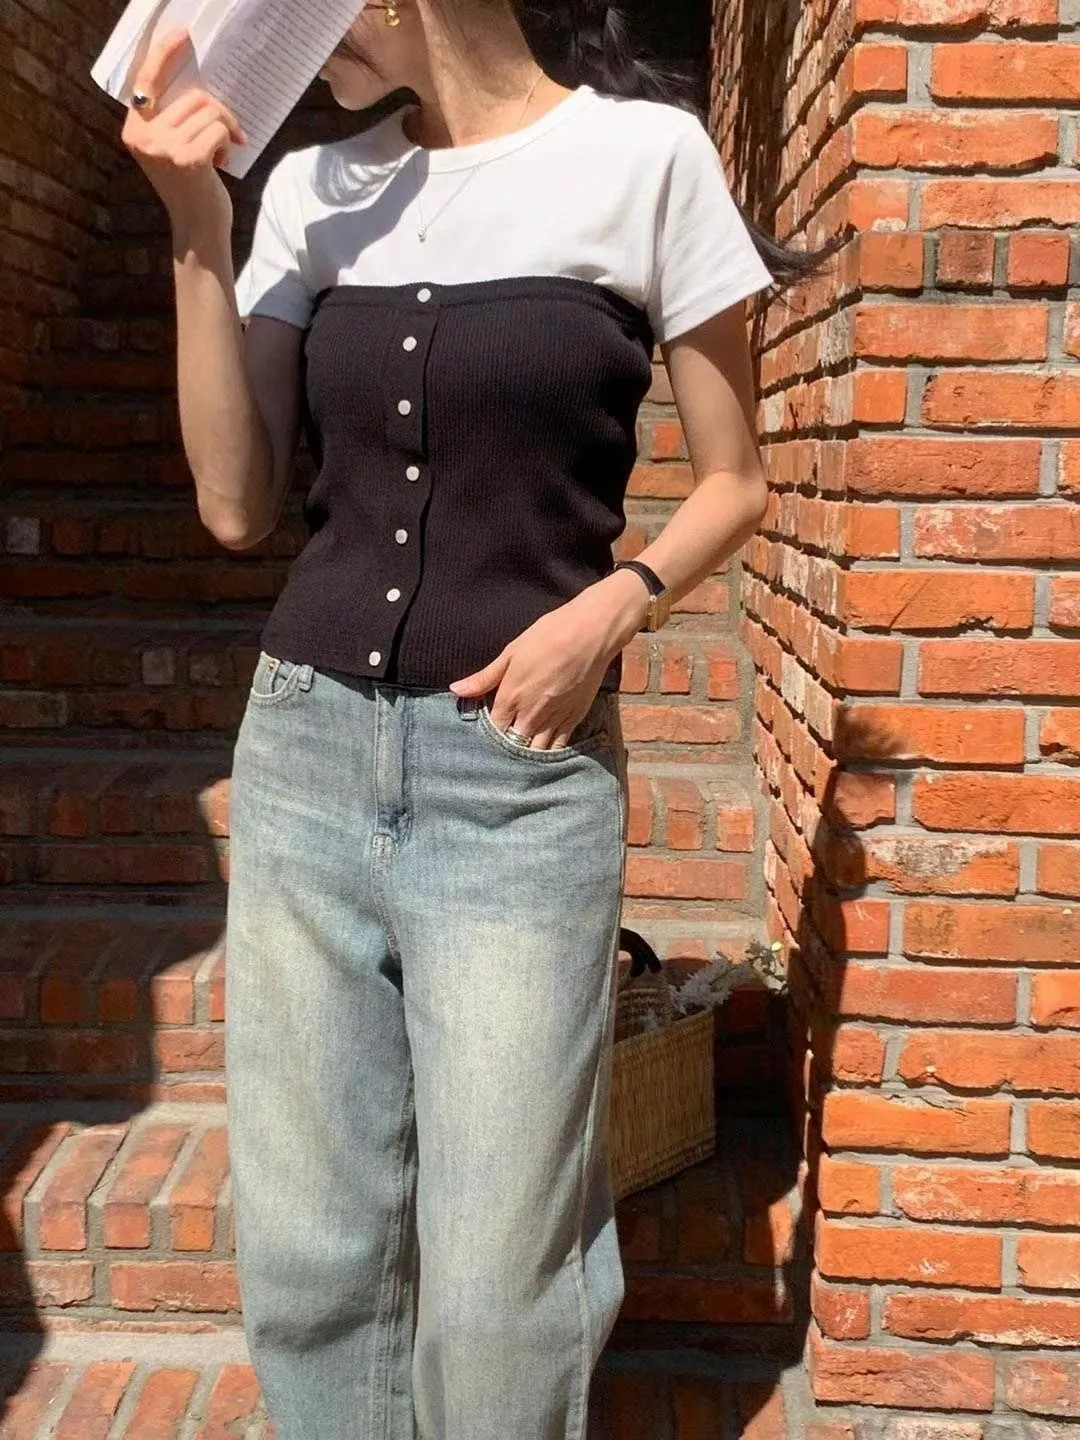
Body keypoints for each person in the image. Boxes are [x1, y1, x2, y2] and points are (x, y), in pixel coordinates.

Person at [119, 3, 814, 1435]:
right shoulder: (313, 189)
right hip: (305, 758)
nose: (285, 45)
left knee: (505, 1280)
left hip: (517, 779)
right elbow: (235, 505)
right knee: (313, 1257)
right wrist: (197, 226)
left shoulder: (644, 160)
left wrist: (610, 610)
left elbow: (735, 482)